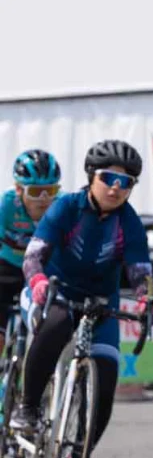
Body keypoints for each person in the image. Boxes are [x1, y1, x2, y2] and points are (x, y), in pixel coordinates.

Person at [10, 139, 153, 458]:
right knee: (58, 323)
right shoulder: (67, 207)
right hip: (52, 291)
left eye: (125, 182)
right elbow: (33, 256)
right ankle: (28, 409)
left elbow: (141, 271)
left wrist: (146, 299)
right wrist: (37, 281)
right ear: (92, 177)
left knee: (105, 382)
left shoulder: (129, 222)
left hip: (100, 304)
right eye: (108, 178)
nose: (116, 188)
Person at [0, 150, 62, 354]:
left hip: (42, 271)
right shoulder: (6, 205)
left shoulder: (62, 206)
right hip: (8, 267)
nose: (44, 199)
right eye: (36, 192)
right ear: (19, 189)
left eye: (50, 191)